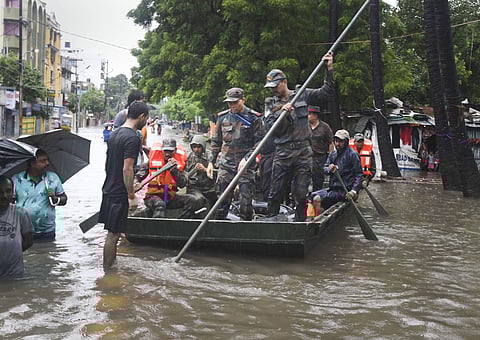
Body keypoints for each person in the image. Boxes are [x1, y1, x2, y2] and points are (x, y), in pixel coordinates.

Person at [264, 52, 335, 221]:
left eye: (275, 85)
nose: (273, 89)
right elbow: (267, 127)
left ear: (284, 82)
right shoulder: (270, 103)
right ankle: (271, 221)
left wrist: (329, 68)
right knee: (275, 191)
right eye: (271, 87)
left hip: (303, 152)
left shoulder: (302, 93)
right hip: (282, 152)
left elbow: (326, 93)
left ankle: (300, 224)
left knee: (301, 193)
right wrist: (281, 113)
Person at [99, 100, 149, 269]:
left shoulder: (114, 133)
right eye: (146, 118)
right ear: (142, 117)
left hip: (108, 188)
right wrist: (131, 194)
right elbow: (127, 169)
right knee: (113, 234)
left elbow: (108, 164)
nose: (146, 122)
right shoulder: (132, 138)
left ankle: (112, 269)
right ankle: (108, 273)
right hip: (119, 192)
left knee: (114, 233)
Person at [206, 87, 264, 221]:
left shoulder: (254, 118)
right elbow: (216, 141)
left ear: (243, 100)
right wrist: (211, 162)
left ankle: (245, 231)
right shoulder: (223, 117)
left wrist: (248, 158)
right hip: (226, 165)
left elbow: (260, 142)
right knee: (221, 201)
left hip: (245, 166)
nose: (232, 105)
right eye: (229, 103)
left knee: (246, 201)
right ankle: (219, 229)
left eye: (235, 102)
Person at [13, 149, 67, 241]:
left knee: (46, 253)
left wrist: (55, 199)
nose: (47, 163)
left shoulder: (53, 178)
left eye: (47, 160)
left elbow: (64, 199)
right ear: (32, 163)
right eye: (43, 161)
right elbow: (9, 203)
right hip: (22, 230)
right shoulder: (17, 179)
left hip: (47, 231)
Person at [141, 138, 202, 219]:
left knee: (193, 200)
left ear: (175, 150)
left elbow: (182, 184)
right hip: (153, 197)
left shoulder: (181, 163)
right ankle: (156, 229)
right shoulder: (153, 160)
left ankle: (179, 223)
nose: (167, 154)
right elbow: (139, 175)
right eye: (165, 151)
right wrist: (135, 184)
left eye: (170, 151)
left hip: (170, 197)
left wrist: (175, 171)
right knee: (160, 205)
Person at [311, 129, 364, 211]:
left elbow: (359, 175)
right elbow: (324, 168)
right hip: (333, 189)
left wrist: (353, 191)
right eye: (336, 141)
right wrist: (329, 169)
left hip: (345, 191)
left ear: (346, 142)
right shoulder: (333, 154)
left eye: (340, 141)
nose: (337, 144)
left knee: (318, 198)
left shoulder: (352, 155)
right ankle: (313, 218)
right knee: (313, 195)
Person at [0, 176, 33, 278]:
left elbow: (28, 241)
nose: (4, 195)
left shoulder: (20, 213)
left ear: (13, 192)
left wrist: (12, 252)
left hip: (15, 272)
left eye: (8, 191)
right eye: (0, 192)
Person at [185, 134, 217, 210]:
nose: (196, 149)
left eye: (199, 147)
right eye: (194, 147)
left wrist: (205, 170)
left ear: (203, 147)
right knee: (199, 199)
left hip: (208, 187)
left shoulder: (210, 157)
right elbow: (184, 174)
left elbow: (217, 174)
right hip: (194, 187)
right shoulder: (188, 157)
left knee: (219, 198)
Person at [308, 105, 333, 191]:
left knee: (318, 180)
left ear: (315, 115)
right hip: (306, 156)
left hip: (319, 157)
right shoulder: (305, 126)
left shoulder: (325, 127)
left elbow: (330, 142)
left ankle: (316, 198)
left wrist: (331, 157)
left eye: (309, 114)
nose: (308, 116)